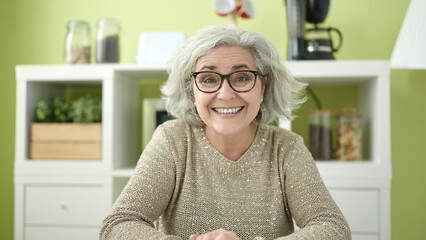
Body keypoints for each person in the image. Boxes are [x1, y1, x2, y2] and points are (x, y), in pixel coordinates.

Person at [99, 24, 351, 240]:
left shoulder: (286, 147)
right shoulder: (172, 139)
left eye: (241, 77)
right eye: (209, 79)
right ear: (192, 90)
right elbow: (118, 225)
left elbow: (333, 228)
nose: (226, 94)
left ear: (263, 86)